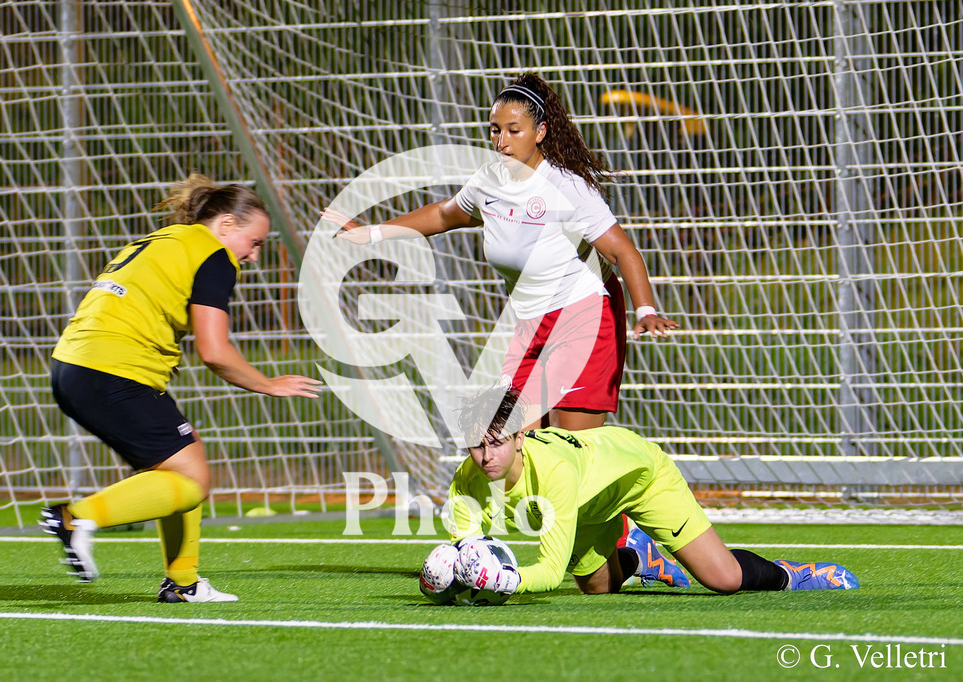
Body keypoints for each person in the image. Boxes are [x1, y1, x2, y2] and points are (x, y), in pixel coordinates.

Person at [324, 72, 678, 432]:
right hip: (528, 322)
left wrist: (645, 309)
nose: (501, 141)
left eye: (513, 130)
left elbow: (624, 252)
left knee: (572, 450)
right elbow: (444, 215)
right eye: (495, 130)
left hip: (583, 318)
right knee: (509, 439)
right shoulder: (489, 182)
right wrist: (371, 233)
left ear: (540, 132)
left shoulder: (566, 187)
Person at [42, 174, 321, 603]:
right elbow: (214, 350)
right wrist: (268, 384)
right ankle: (76, 518)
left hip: (73, 365)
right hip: (114, 369)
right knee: (193, 479)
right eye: (255, 241)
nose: (252, 255)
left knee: (183, 465)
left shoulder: (168, 237)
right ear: (226, 224)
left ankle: (183, 583)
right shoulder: (213, 255)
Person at [441, 387, 859, 599]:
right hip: (590, 505)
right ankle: (639, 556)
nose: (486, 456)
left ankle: (797, 575)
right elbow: (470, 546)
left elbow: (549, 574)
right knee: (598, 590)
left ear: (520, 436)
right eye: (476, 445)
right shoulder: (467, 478)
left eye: (496, 443)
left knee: (724, 580)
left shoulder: (554, 474)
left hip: (641, 476)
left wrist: (506, 580)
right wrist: (449, 581)